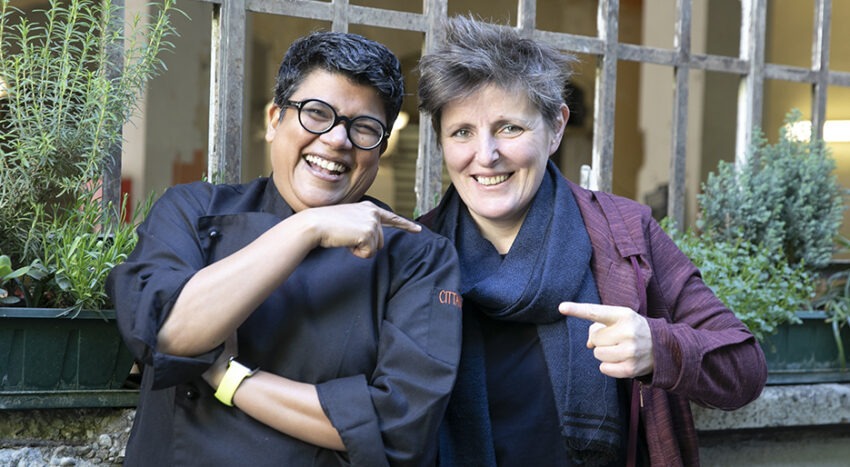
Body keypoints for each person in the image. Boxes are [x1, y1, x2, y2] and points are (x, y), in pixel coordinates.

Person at [416, 15, 767, 466]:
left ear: (556, 127)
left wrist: (658, 347)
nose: (486, 155)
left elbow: (745, 367)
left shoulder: (625, 231)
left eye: (510, 128)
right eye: (462, 132)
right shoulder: (415, 252)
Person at [107, 30, 463, 466]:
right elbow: (169, 336)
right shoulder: (192, 209)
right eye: (317, 114)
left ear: (381, 148)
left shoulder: (419, 257)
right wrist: (306, 228)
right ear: (275, 119)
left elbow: (398, 427)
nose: (338, 139)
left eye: (364, 128)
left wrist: (230, 378)